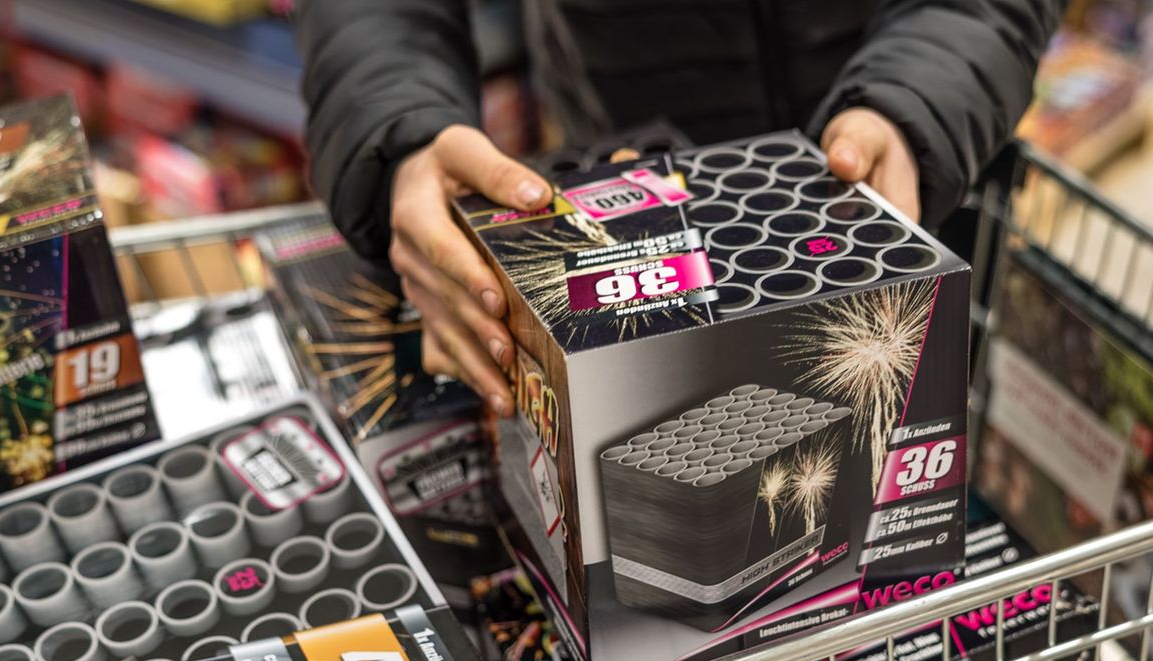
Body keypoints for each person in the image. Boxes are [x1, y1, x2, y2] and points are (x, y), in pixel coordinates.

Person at [294, 0, 1063, 415]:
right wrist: (397, 125)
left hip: (912, 174)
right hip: (628, 196)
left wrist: (917, 102)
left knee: (916, 454)